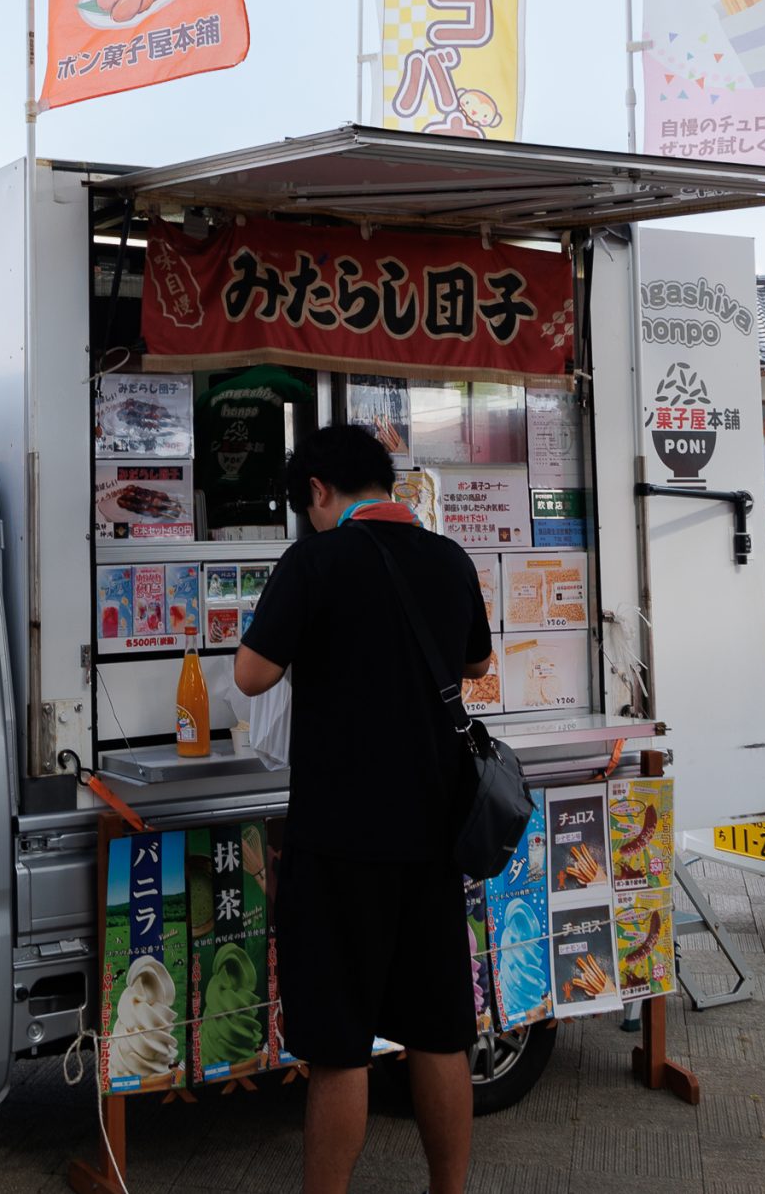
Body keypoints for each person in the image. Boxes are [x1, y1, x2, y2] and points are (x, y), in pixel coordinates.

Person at [235, 424, 494, 1194]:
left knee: (340, 1046)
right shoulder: (448, 558)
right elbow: (478, 661)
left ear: (319, 490)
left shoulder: (315, 560)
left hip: (339, 840)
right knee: (440, 1033)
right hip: (434, 837)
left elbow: (251, 675)